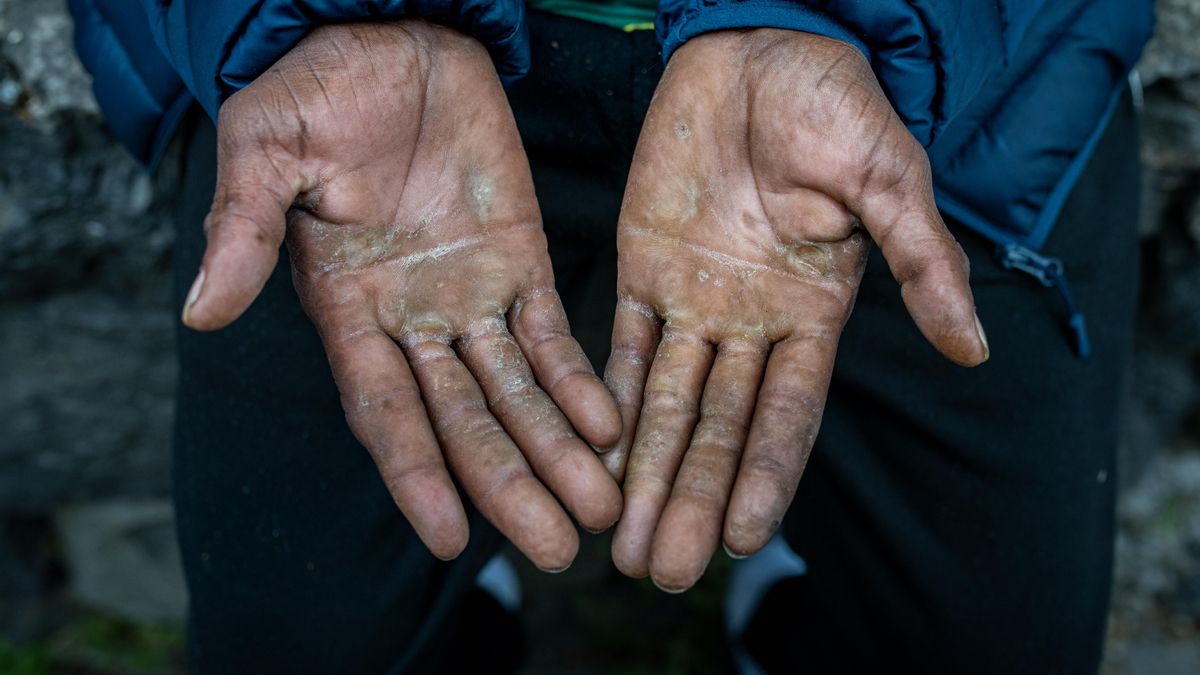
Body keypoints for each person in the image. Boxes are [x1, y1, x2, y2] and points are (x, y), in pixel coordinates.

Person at [67, 0, 1154, 672]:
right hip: (361, 75)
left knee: (993, 649)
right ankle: (459, 604)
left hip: (926, 76)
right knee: (299, 645)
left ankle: (791, 601)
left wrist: (840, 16)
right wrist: (312, 16)